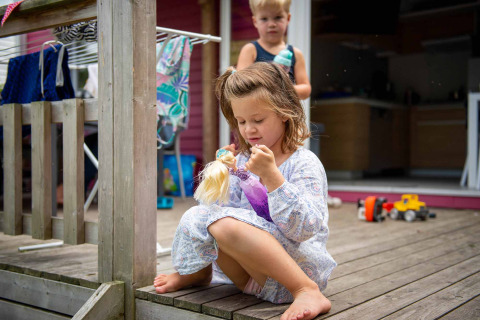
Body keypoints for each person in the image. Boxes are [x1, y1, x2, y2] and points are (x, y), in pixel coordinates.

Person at [154, 62, 335, 320]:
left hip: (296, 269)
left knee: (223, 224)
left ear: (284, 112)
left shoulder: (304, 163)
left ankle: (306, 291)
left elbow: (306, 228)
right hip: (250, 279)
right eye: (241, 121)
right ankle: (198, 273)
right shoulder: (243, 162)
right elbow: (226, 212)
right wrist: (224, 174)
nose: (249, 129)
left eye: (258, 120)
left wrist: (272, 177)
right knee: (199, 215)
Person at [236, 0, 311, 100]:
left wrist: (285, 89)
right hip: (259, 113)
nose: (271, 24)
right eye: (264, 19)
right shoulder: (250, 51)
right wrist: (267, 84)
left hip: (286, 114)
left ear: (288, 18)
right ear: (255, 22)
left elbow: (306, 90)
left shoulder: (295, 54)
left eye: (278, 17)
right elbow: (240, 85)